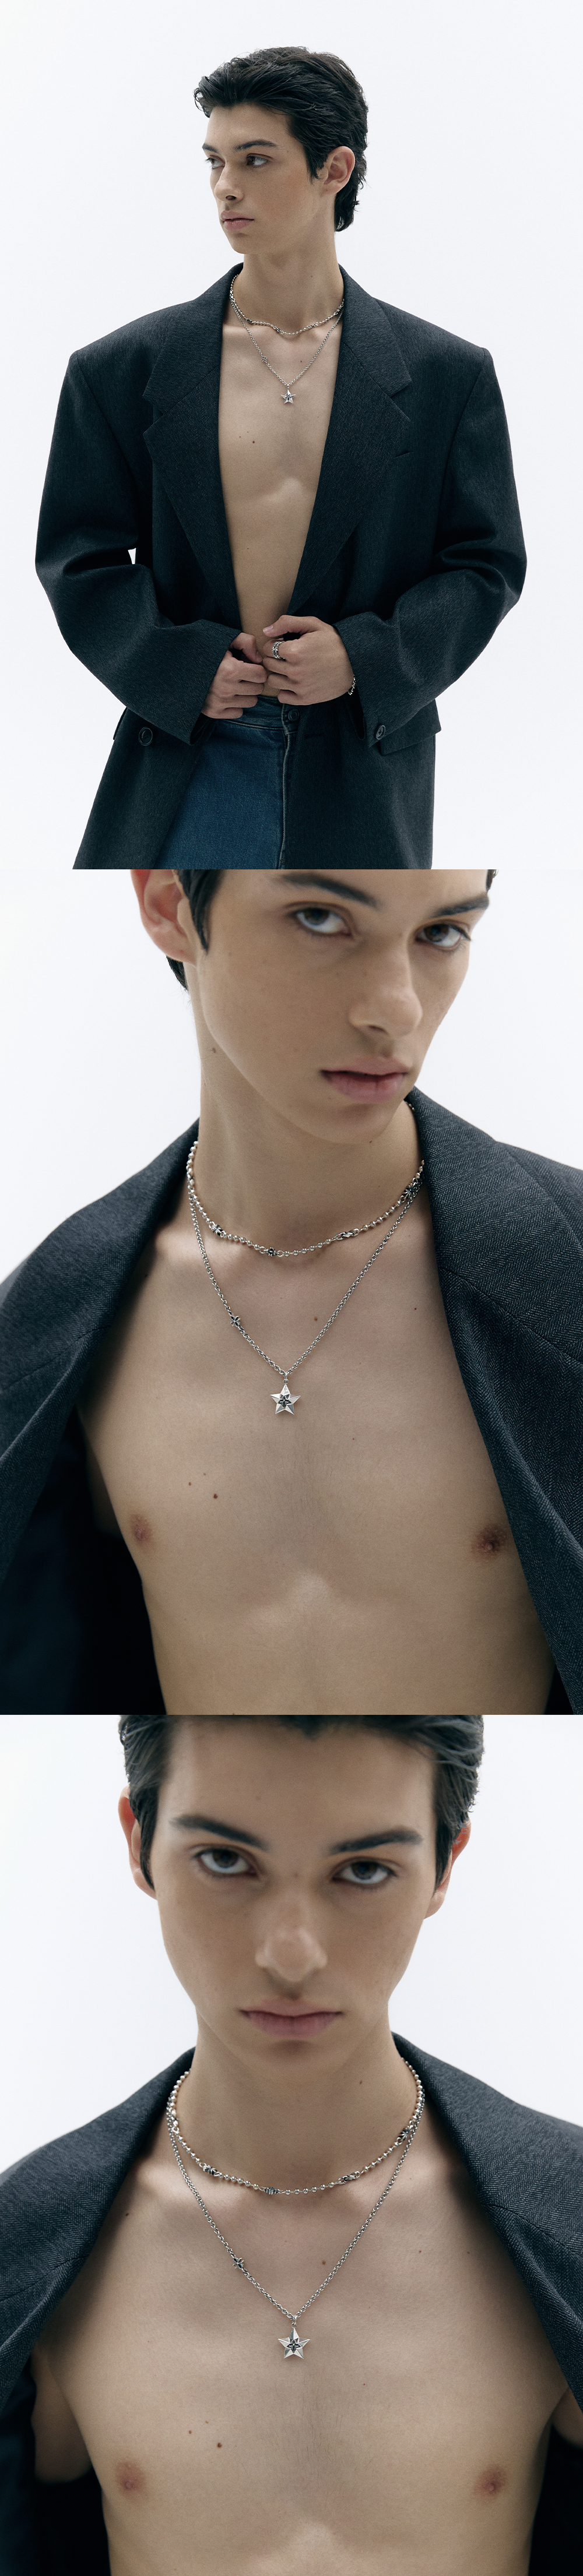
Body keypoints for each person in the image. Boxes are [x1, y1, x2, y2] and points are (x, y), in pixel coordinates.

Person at [1, 1717, 582, 2576]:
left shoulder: (566, 2223)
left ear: (446, 1863)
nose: (291, 1954)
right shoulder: (36, 2246)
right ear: (139, 1842)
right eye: (226, 1859)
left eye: (364, 1869)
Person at [0, 868, 580, 1719]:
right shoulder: (53, 1324)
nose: (397, 1009)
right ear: (169, 905)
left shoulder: (565, 1267)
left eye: (442, 932)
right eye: (320, 917)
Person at [34, 47, 526, 870]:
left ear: (335, 169)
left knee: (343, 942)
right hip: (190, 741)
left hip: (362, 753)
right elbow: (77, 558)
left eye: (256, 159)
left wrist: (366, 657)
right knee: (171, 942)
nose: (225, 186)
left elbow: (486, 564)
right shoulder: (120, 369)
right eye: (215, 161)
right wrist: (179, 667)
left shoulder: (449, 375)